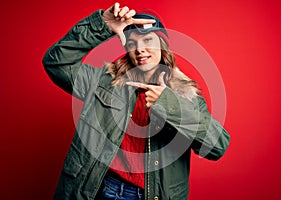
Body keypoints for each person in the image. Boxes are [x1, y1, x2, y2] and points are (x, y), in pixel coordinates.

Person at [42, 2, 230, 200]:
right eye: (132, 44)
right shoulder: (103, 82)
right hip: (100, 189)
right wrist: (101, 25)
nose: (140, 50)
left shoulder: (185, 95)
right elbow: (56, 63)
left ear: (163, 46)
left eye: (148, 40)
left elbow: (217, 147)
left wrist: (168, 103)